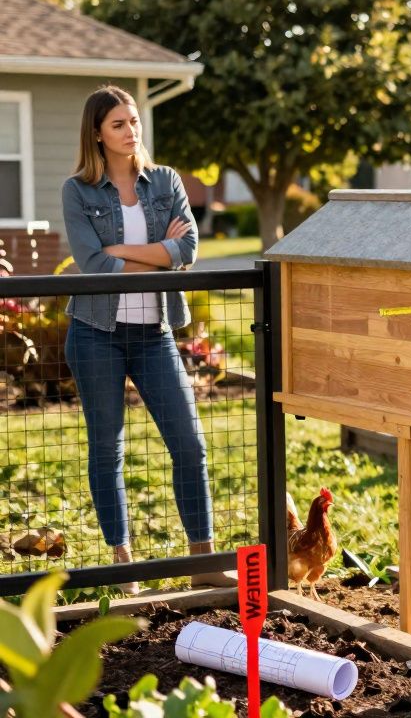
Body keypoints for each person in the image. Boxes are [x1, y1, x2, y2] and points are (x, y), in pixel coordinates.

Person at [62, 85, 231, 593]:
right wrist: (161, 250)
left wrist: (128, 250)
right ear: (97, 133)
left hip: (154, 333)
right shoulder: (79, 191)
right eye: (118, 124)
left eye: (134, 121)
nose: (131, 131)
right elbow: (93, 264)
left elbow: (191, 248)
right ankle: (124, 567)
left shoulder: (165, 182)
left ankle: (201, 558)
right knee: (107, 450)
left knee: (189, 443)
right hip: (96, 334)